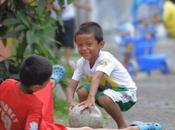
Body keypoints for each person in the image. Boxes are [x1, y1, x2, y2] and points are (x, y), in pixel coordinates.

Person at [0, 56, 162, 130]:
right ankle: (135, 129)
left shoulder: (7, 84)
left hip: (25, 102)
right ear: (37, 85)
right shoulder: (34, 107)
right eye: (45, 81)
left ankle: (52, 81)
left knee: (27, 92)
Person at [66, 21, 138, 128]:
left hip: (126, 93)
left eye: (89, 44)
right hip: (105, 91)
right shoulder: (81, 62)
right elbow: (71, 88)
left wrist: (91, 98)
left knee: (104, 98)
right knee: (81, 91)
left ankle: (122, 125)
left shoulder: (106, 58)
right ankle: (89, 121)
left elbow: (97, 77)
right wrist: (70, 102)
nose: (84, 48)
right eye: (80, 45)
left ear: (101, 44)